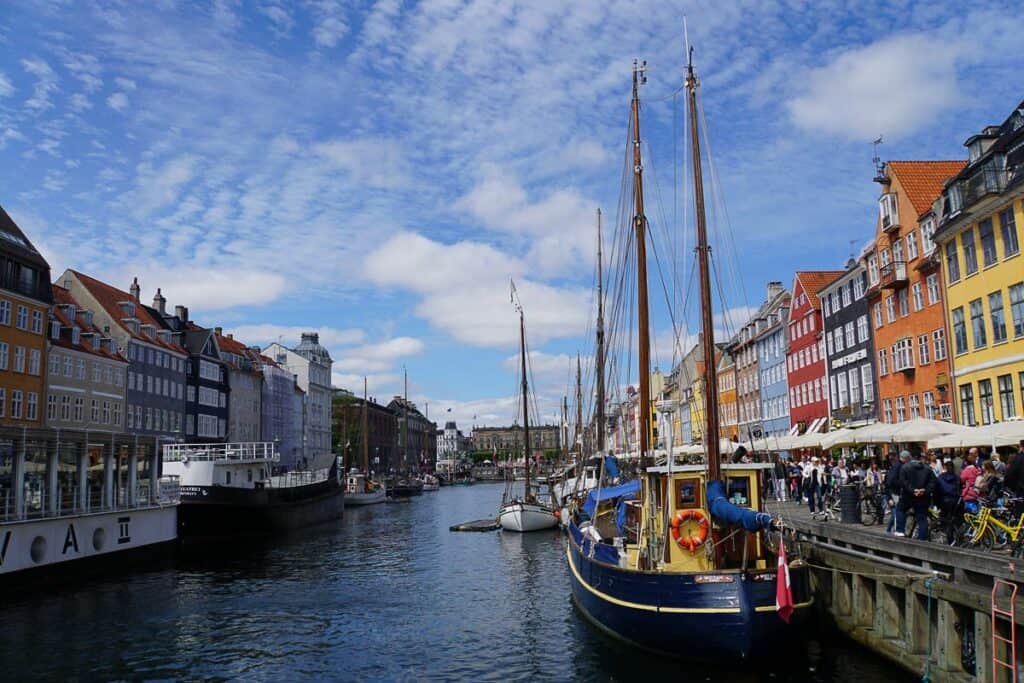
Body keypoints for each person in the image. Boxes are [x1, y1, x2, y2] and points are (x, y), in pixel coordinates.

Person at [896, 449, 936, 540]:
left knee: (900, 510)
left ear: (911, 457)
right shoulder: (928, 468)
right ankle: (923, 538)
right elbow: (933, 483)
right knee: (922, 518)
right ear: (920, 458)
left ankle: (900, 530)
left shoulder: (905, 467)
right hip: (922, 497)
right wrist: (924, 490)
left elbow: (903, 482)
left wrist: (913, 490)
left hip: (908, 496)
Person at [936, 459, 960, 544]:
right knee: (954, 521)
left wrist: (937, 503)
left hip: (943, 501)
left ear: (945, 467)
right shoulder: (957, 478)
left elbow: (937, 491)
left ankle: (944, 537)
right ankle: (953, 539)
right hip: (955, 502)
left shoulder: (940, 478)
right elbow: (959, 490)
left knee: (943, 520)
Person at [884, 451, 909, 533]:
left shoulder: (897, 466)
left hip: (895, 493)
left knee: (897, 513)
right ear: (906, 458)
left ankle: (890, 531)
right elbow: (890, 481)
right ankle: (894, 531)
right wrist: (903, 483)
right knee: (897, 513)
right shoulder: (899, 466)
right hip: (895, 493)